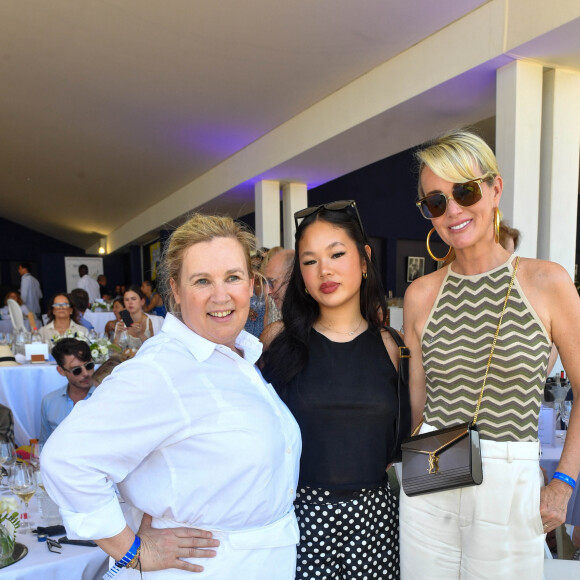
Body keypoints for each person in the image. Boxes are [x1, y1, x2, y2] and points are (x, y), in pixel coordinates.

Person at [41, 213, 301, 579]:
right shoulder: (162, 370)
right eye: (202, 281)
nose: (221, 295)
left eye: (233, 277)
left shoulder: (238, 354)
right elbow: (66, 461)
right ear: (176, 291)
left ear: (252, 285)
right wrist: (132, 551)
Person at [402, 129, 580, 579]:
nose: (453, 210)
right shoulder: (421, 295)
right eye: (436, 202)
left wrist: (563, 483)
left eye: (464, 191)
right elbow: (416, 407)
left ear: (494, 188)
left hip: (509, 476)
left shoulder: (547, 282)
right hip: (433, 469)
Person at [261, 200, 403, 580]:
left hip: (375, 522)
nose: (324, 270)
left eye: (337, 253)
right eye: (309, 261)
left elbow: (407, 430)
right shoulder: (278, 340)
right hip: (299, 519)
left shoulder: (392, 346)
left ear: (363, 258)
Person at [40, 338, 96, 444]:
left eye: (89, 366)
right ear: (61, 371)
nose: (86, 373)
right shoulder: (49, 402)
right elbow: (44, 444)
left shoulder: (106, 396)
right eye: (77, 370)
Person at [113, 286, 155, 350]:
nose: (130, 302)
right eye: (126, 300)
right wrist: (117, 335)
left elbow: (155, 349)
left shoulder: (152, 321)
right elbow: (115, 353)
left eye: (133, 299)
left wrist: (141, 335)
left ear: (142, 301)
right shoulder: (121, 324)